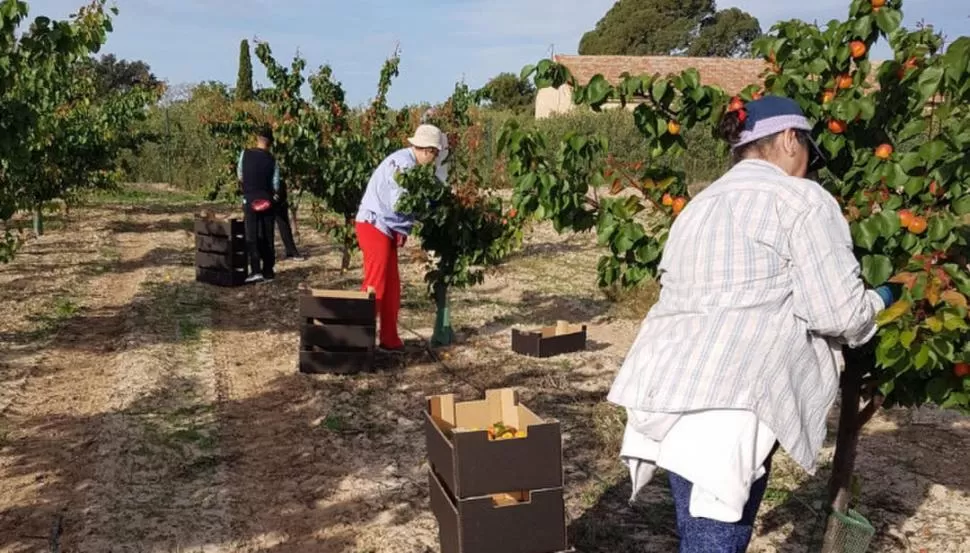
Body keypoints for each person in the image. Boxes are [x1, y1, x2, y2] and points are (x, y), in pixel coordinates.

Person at [608, 96, 899, 552]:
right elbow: (838, 313)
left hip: (663, 388)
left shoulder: (699, 206)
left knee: (698, 532)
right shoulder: (800, 199)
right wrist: (882, 299)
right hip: (729, 407)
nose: (808, 169)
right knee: (715, 540)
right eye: (807, 154)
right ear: (789, 139)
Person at [355, 124, 442, 351]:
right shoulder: (404, 165)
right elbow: (398, 203)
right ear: (426, 150)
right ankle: (357, 339)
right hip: (374, 225)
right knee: (376, 284)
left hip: (384, 227)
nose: (435, 159)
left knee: (392, 286)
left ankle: (389, 339)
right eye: (435, 153)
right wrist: (426, 205)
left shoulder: (411, 163)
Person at [237, 126, 280, 283]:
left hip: (250, 199)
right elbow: (276, 184)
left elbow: (240, 175)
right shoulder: (272, 160)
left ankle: (255, 270)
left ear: (257, 139)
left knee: (252, 234)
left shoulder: (245, 154)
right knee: (268, 235)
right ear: (270, 143)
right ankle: (268, 270)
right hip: (266, 200)